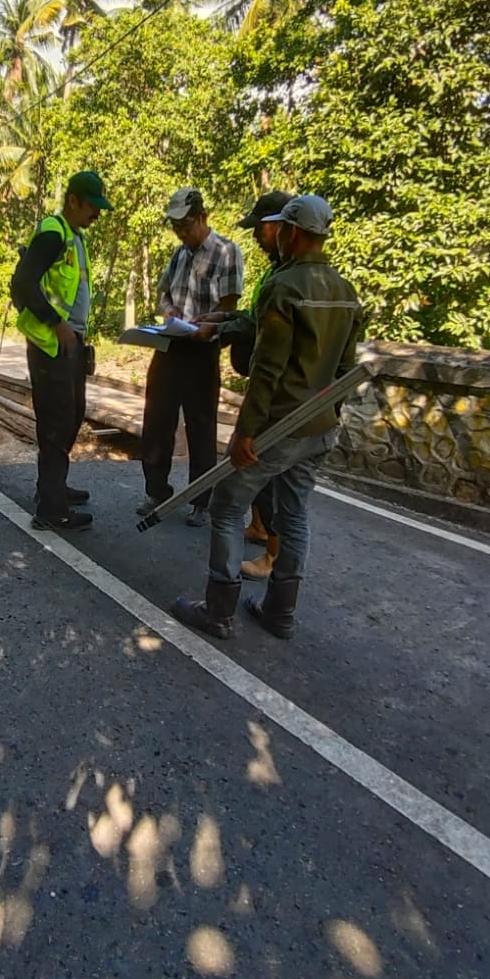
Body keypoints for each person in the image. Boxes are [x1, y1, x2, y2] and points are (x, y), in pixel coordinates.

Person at [173, 194, 361, 641]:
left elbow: (267, 370)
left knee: (227, 505)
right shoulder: (344, 289)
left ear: (292, 233)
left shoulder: (283, 286)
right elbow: (346, 371)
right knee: (293, 513)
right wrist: (328, 417)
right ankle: (279, 612)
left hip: (279, 425)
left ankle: (219, 610)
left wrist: (246, 432)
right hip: (319, 428)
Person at [194, 189, 291, 578]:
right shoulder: (276, 269)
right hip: (265, 382)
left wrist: (222, 325)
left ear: (280, 227)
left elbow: (268, 349)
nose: (255, 236)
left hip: (275, 395)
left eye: (261, 229)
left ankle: (270, 557)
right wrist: (222, 323)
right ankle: (260, 527)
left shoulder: (289, 278)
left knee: (260, 477)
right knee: (267, 479)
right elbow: (252, 318)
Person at [10, 170, 111, 531]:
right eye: (92, 206)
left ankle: (52, 487)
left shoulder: (74, 236)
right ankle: (51, 509)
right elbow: (22, 283)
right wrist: (56, 322)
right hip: (50, 343)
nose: (96, 213)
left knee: (72, 415)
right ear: (73, 200)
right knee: (55, 423)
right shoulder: (53, 232)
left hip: (71, 343)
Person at [138, 188, 243, 527]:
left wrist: (205, 326)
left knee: (200, 426)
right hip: (170, 345)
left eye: (185, 225)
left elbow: (229, 304)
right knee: (156, 421)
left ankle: (201, 500)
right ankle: (156, 490)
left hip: (202, 348)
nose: (181, 233)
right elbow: (164, 294)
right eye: (175, 227)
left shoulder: (226, 251)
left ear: (202, 218)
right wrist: (169, 314)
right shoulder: (179, 254)